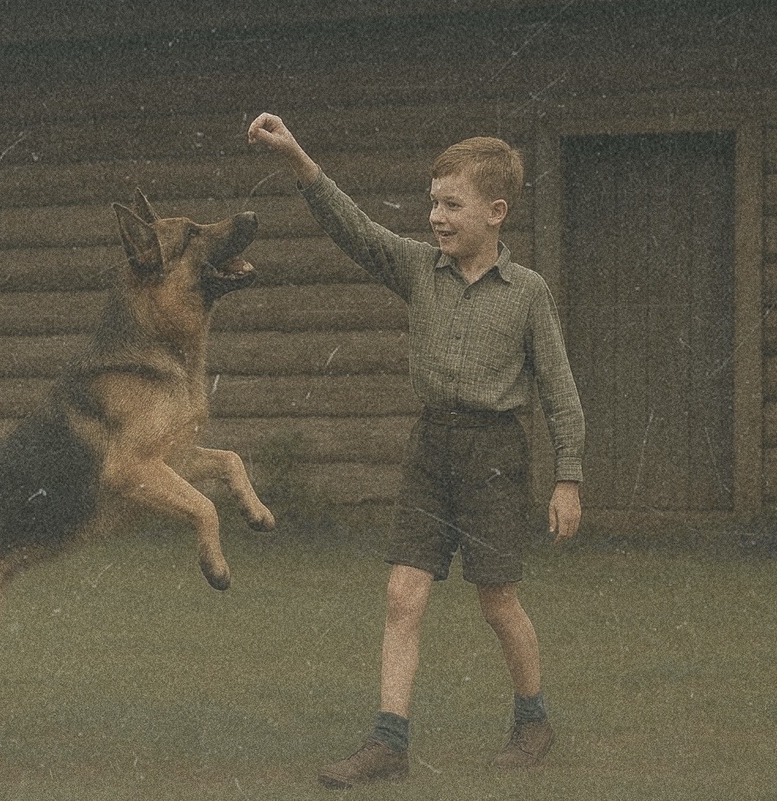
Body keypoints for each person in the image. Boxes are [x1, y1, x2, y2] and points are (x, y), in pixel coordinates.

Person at [247, 112, 585, 788]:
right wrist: (297, 158)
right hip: (431, 446)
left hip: (495, 453)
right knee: (403, 593)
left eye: (451, 203)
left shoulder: (529, 294)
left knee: (497, 601)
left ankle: (533, 718)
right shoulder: (416, 269)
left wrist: (568, 478)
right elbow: (356, 230)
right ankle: (389, 741)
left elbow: (561, 391)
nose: (436, 214)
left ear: (495, 212)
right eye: (432, 200)